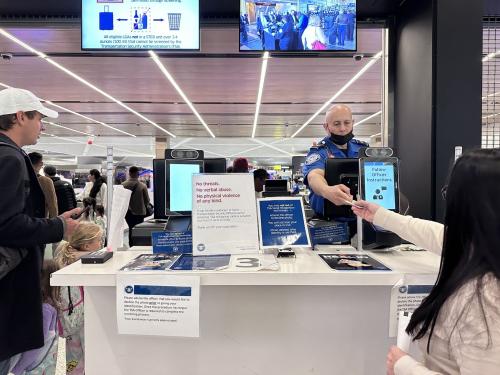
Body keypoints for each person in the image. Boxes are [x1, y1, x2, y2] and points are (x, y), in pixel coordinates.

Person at [352, 149, 500, 375]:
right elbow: (435, 235)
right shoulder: (481, 246)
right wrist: (383, 216)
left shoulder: (483, 299)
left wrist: (404, 366)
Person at [0, 87, 80, 375]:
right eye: (39, 118)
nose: (43, 126)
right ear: (20, 116)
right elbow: (7, 224)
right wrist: (58, 226)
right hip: (8, 286)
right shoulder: (9, 158)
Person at [303, 104, 368, 216]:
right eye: (336, 124)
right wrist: (326, 190)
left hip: (361, 219)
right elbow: (314, 176)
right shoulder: (319, 152)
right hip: (330, 223)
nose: (342, 129)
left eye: (347, 123)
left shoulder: (363, 149)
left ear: (353, 123)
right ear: (326, 127)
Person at [55, 222, 103, 375]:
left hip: (70, 320)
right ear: (87, 246)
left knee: (73, 356)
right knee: (92, 354)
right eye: (99, 240)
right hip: (86, 319)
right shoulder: (89, 263)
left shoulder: (65, 259)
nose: (101, 243)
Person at [9, 260, 60, 375]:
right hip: (45, 362)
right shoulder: (51, 302)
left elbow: (36, 345)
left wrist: (17, 369)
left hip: (34, 365)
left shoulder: (44, 309)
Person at [122, 166, 150, 247]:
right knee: (138, 229)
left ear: (129, 174)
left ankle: (131, 244)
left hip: (127, 212)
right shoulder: (142, 186)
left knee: (131, 228)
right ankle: (138, 244)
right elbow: (147, 200)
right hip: (139, 212)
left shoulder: (123, 185)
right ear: (138, 174)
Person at [28, 152, 58, 218]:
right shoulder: (45, 181)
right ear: (41, 164)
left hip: (22, 220)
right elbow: (52, 205)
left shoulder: (19, 178)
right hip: (39, 220)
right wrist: (54, 224)